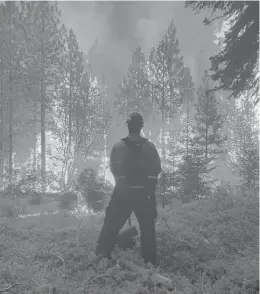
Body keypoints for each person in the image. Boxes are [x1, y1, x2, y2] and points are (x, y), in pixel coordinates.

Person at [95, 112, 161, 266]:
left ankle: (101, 256)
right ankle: (150, 263)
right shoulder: (150, 147)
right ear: (141, 127)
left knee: (110, 226)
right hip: (144, 196)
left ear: (129, 126)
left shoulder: (119, 146)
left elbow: (114, 169)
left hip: (123, 195)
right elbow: (156, 170)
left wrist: (124, 188)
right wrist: (148, 193)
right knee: (148, 231)